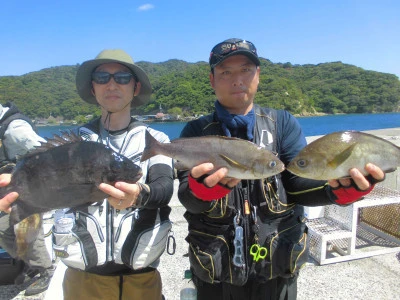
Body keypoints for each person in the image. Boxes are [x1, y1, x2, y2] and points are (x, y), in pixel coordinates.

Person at [177, 38, 385, 300]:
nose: (237, 79)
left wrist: (337, 192)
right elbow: (187, 198)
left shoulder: (282, 123)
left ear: (258, 75)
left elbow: (297, 185)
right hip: (216, 270)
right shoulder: (196, 132)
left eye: (245, 70)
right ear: (212, 80)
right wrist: (202, 191)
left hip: (277, 265)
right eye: (225, 72)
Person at [50, 49, 173, 299]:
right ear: (92, 88)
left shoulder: (156, 140)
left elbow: (164, 187)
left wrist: (139, 194)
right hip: (81, 280)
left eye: (123, 77)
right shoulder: (70, 145)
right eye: (102, 77)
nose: (112, 84)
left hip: (141, 280)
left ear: (136, 87)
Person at [0, 102, 54, 296]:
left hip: (28, 187)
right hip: (8, 190)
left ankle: (46, 270)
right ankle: (30, 263)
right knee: (3, 230)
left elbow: (48, 154)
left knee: (28, 229)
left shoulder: (16, 130)